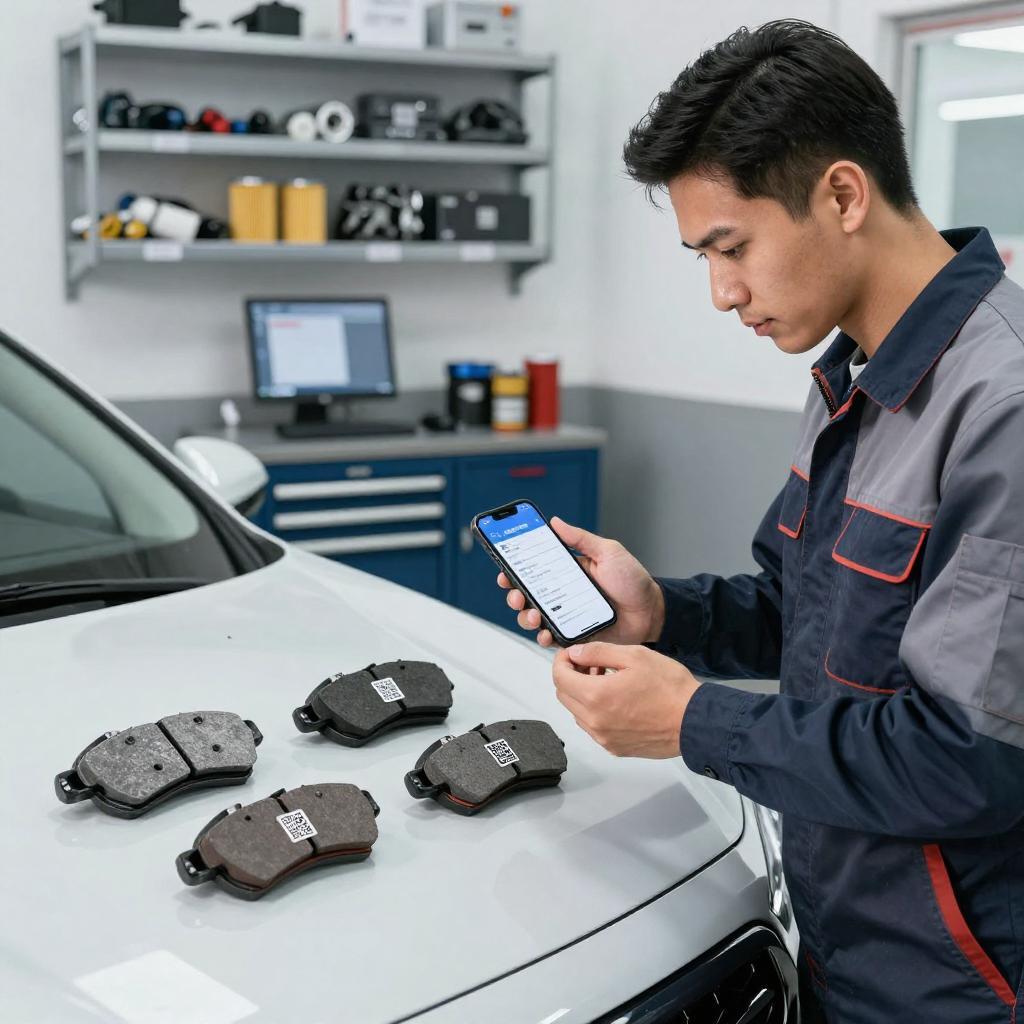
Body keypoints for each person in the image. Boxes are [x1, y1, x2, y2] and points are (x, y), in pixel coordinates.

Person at [497, 20, 1024, 1023]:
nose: (721, 291)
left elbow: (969, 761)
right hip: (840, 938)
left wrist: (692, 720)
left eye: (731, 248)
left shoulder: (1003, 407)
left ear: (842, 195)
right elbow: (806, 617)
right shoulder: (850, 376)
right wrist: (663, 616)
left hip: (961, 987)